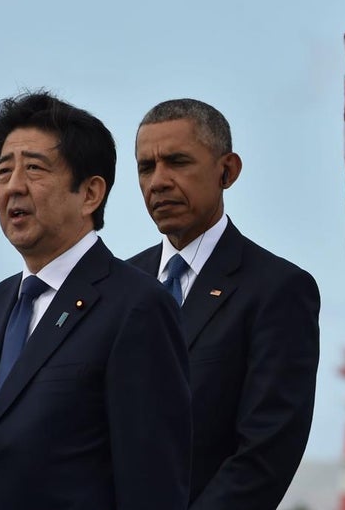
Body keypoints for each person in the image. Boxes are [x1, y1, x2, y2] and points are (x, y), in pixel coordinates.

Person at [0, 91, 192, 510]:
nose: (13, 186)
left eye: (34, 168)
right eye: (3, 172)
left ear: (90, 193)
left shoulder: (137, 306)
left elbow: (152, 485)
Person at [129, 98, 320, 510]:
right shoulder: (115, 286)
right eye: (146, 167)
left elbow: (265, 454)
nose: (158, 181)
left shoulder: (278, 290)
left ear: (227, 171)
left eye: (177, 162)